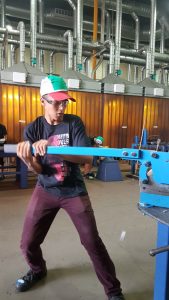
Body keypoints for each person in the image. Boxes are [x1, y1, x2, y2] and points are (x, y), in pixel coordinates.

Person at [15, 75, 125, 300]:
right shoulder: (33, 129)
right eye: (56, 102)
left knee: (92, 242)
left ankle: (113, 291)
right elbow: (38, 169)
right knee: (27, 243)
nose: (61, 107)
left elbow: (86, 157)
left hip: (74, 190)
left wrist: (52, 148)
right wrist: (29, 160)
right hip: (46, 189)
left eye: (64, 102)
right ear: (43, 101)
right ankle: (38, 270)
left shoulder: (74, 123)